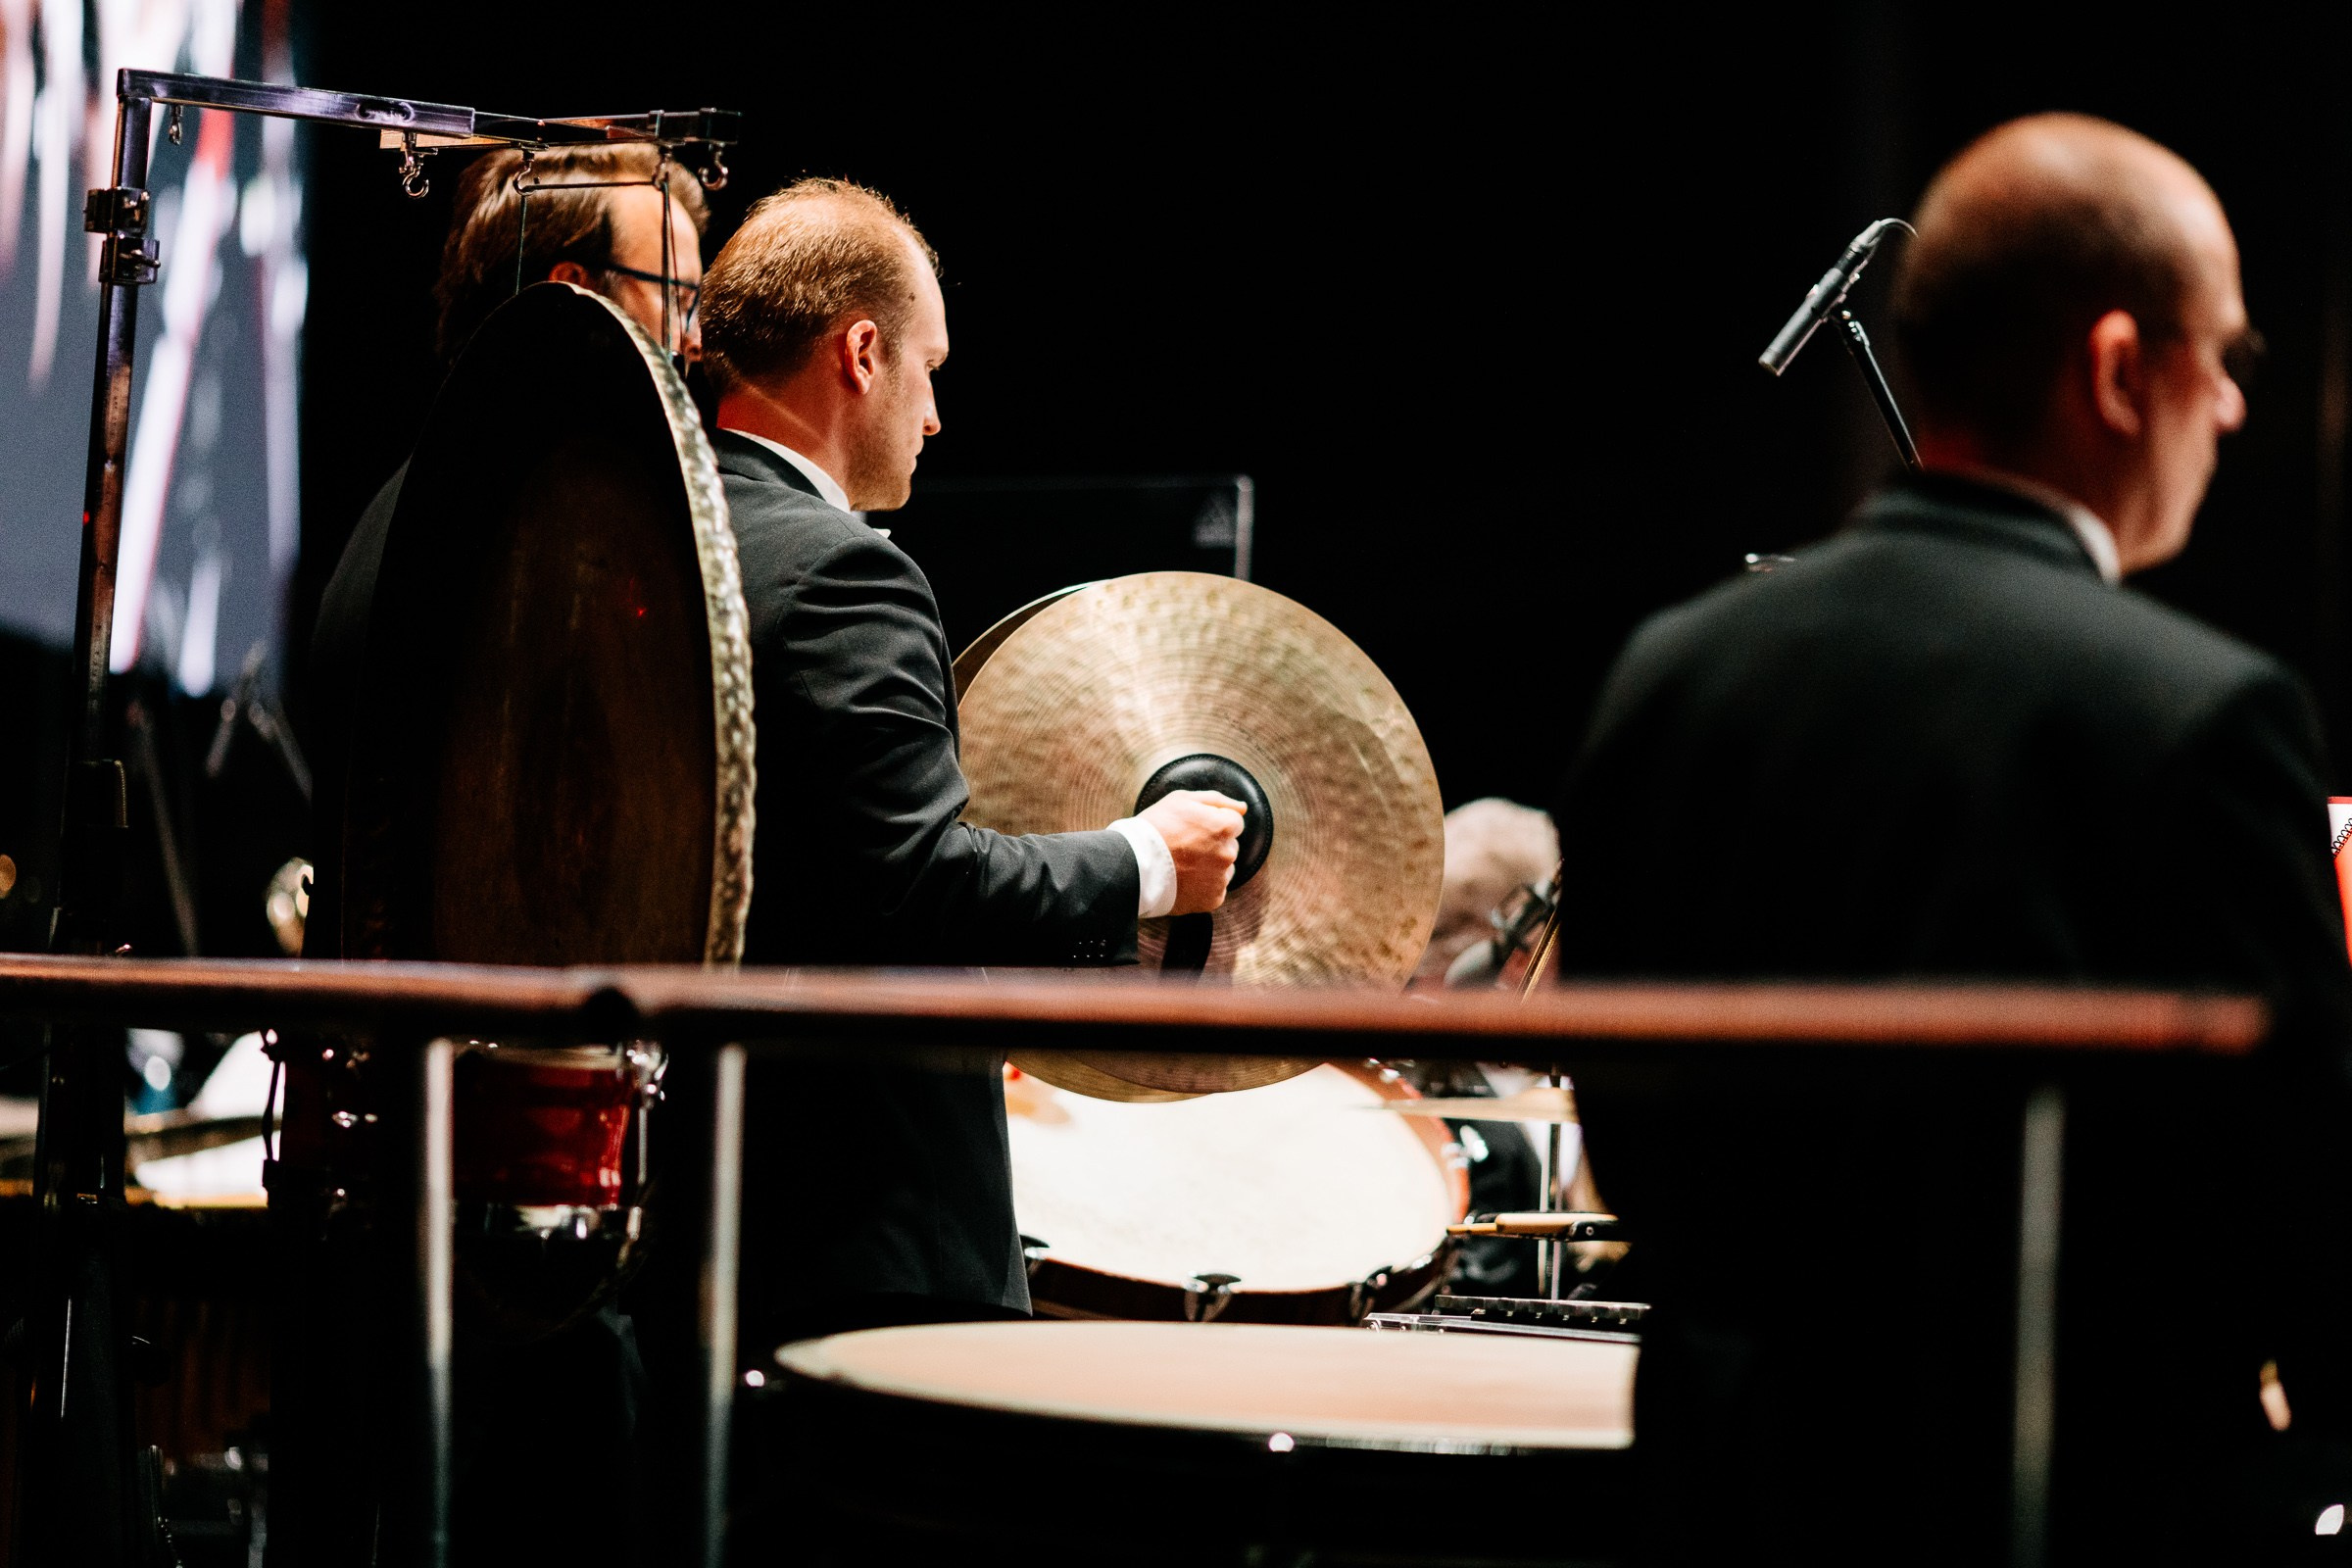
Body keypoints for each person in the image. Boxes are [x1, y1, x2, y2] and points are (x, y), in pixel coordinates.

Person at [1552, 114, 2352, 1563]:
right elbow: (2291, 1219)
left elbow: (1630, 1139)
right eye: (2222, 359)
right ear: (2118, 368)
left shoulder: (1671, 668)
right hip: (2058, 1502)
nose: (2233, 411)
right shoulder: (2207, 714)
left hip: (1727, 1500)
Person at [693, 178, 1247, 1352]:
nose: (934, 414)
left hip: (696, 1186)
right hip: (865, 1227)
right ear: (859, 352)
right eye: (927, 367)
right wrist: (1149, 859)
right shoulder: (845, 573)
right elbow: (919, 884)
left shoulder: (640, 542)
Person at [279, 142, 709, 1567]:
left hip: (425, 1209)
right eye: (681, 297)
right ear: (582, 296)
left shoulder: (408, 508)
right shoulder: (528, 543)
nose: (701, 339)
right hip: (504, 1234)